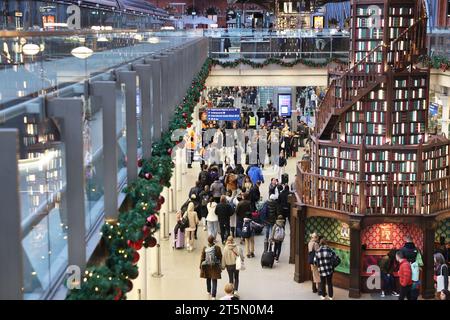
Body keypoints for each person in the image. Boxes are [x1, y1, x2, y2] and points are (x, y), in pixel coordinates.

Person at [200, 235, 223, 300]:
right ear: (213, 240)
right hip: (215, 266)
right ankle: (213, 296)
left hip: (207, 266)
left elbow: (202, 258)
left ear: (208, 241)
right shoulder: (217, 248)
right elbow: (220, 257)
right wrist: (220, 265)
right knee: (214, 280)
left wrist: (200, 266)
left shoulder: (205, 248)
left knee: (208, 279)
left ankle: (208, 291)